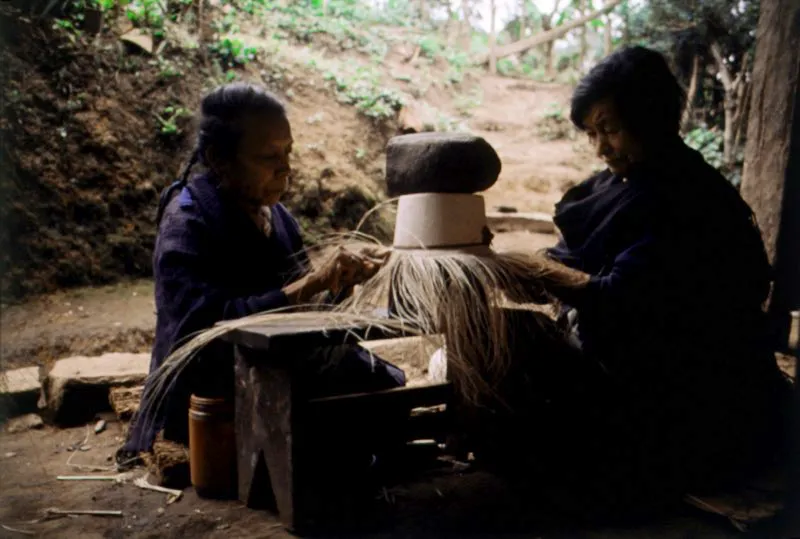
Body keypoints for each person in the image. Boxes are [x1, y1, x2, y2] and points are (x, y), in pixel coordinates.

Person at [464, 46, 792, 521]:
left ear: (654, 118)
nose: (600, 147)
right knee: (495, 350)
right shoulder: (617, 184)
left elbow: (616, 298)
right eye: (592, 134)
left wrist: (531, 269)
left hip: (684, 392)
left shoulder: (689, 198)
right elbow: (565, 262)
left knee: (529, 419)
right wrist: (490, 262)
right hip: (624, 365)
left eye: (611, 129)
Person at [120, 83, 405, 458]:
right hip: (210, 385)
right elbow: (206, 327)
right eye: (269, 156)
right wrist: (312, 282)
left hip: (273, 362)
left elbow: (302, 312)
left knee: (387, 382)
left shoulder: (277, 217)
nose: (285, 168)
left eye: (288, 152)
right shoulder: (187, 223)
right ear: (219, 159)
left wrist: (339, 283)